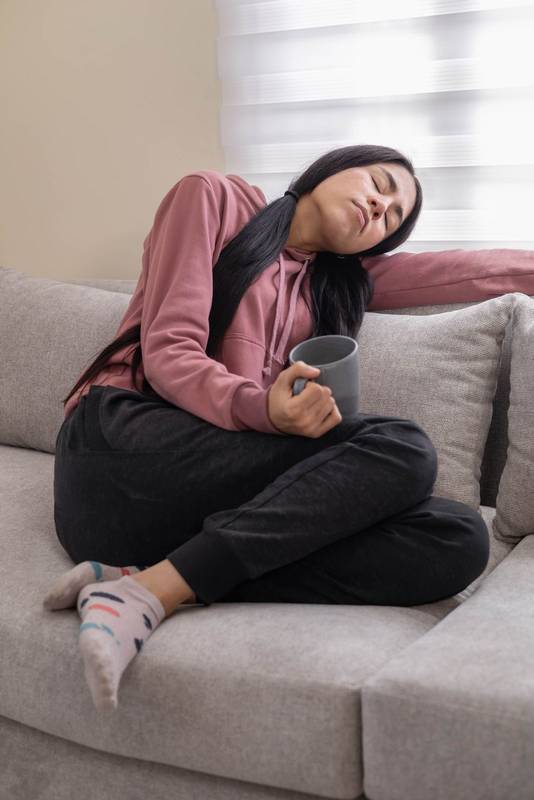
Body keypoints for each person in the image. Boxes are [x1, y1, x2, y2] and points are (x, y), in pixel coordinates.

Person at [43, 144, 490, 713]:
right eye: (378, 184)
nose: (380, 207)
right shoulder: (213, 198)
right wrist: (266, 411)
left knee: (457, 536)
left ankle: (153, 582)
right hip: (116, 452)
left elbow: (464, 272)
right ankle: (156, 589)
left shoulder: (337, 283)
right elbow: (169, 351)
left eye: (392, 218)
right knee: (404, 447)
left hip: (185, 508)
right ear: (331, 167)